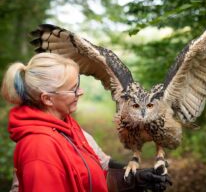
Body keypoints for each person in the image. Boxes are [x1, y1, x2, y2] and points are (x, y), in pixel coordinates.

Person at [2, 53, 171, 192]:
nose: (81, 92)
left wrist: (136, 179)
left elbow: (90, 178)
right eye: (73, 89)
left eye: (79, 84)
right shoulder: (39, 148)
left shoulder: (67, 127)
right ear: (47, 99)